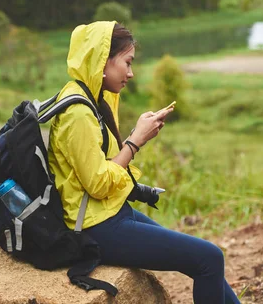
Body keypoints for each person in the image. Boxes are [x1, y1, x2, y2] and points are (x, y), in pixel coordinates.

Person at [47, 21, 241, 303]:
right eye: (127, 62)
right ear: (102, 60)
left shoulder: (90, 98)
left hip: (111, 213)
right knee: (209, 257)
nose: (130, 73)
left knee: (204, 259)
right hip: (96, 227)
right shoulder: (78, 113)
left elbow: (100, 168)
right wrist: (135, 141)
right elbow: (98, 184)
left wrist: (134, 138)